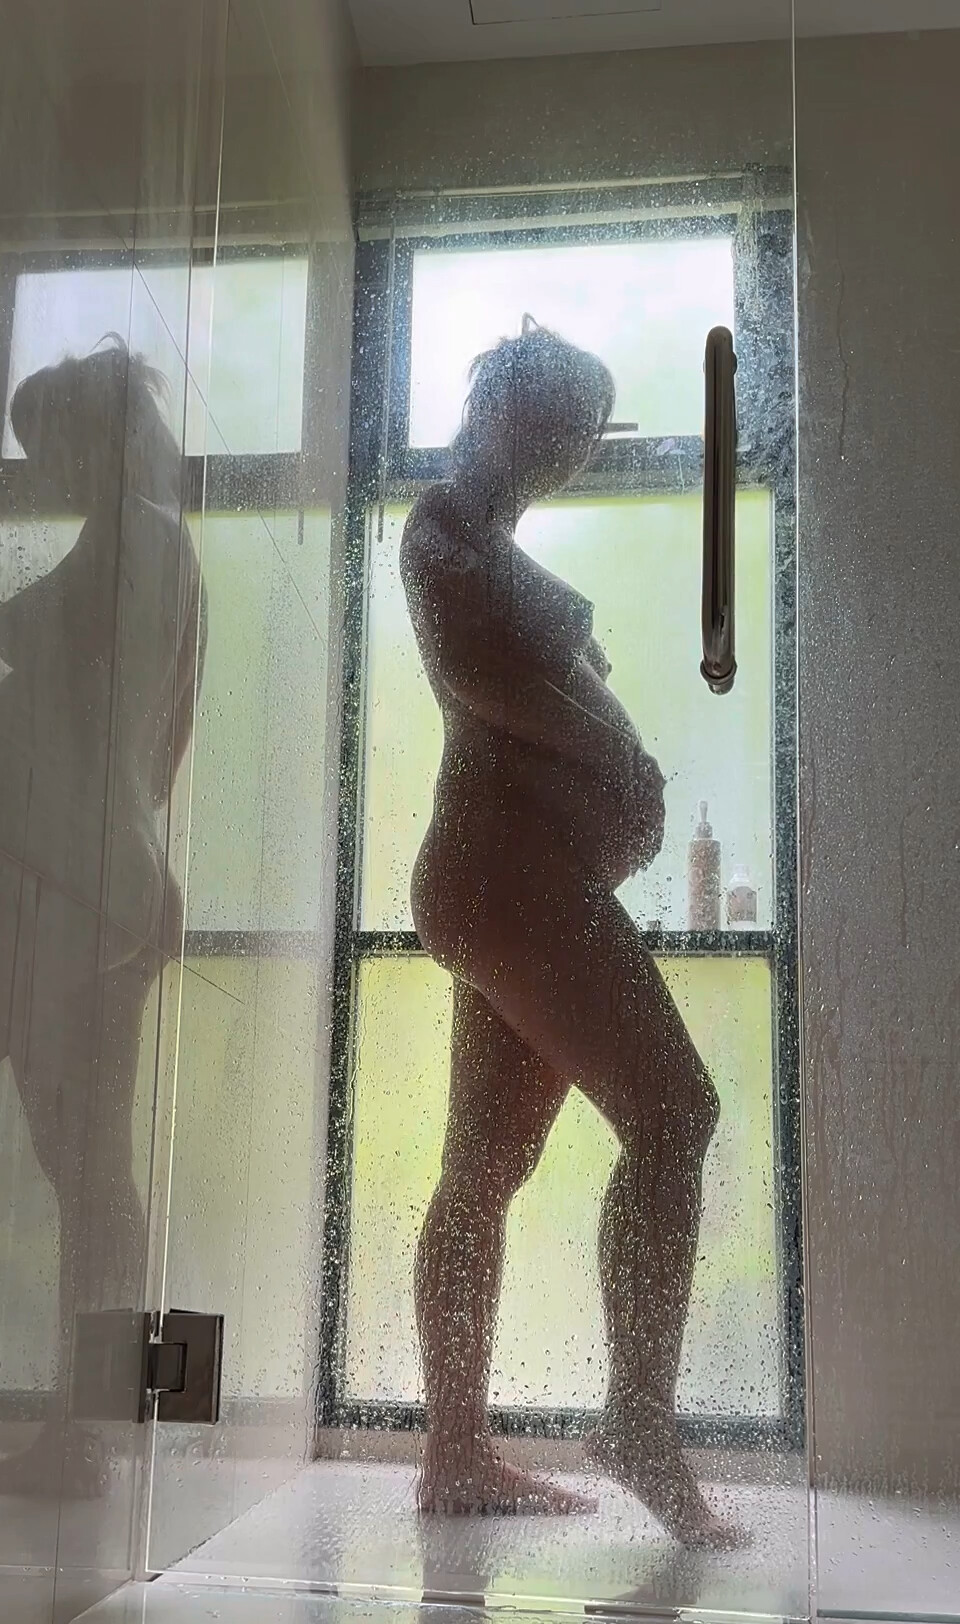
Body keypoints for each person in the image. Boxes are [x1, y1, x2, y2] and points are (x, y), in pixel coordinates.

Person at [400, 318, 735, 1546]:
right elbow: (478, 676)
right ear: (499, 406)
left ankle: (453, 1456)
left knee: (482, 1172)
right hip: (509, 878)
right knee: (675, 1113)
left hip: (513, 880)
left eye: (588, 430)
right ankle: (637, 1419)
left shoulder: (483, 537)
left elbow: (512, 683)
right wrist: (618, 758)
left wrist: (616, 774)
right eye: (559, 420)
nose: (574, 447)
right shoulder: (443, 527)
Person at [0, 339, 205, 1495]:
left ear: (92, 434)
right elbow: (138, 749)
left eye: (49, 441)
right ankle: (98, 1434)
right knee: (94, 1172)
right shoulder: (170, 552)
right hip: (111, 880)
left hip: (45, 884)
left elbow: (52, 706)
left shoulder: (128, 539)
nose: (44, 468)